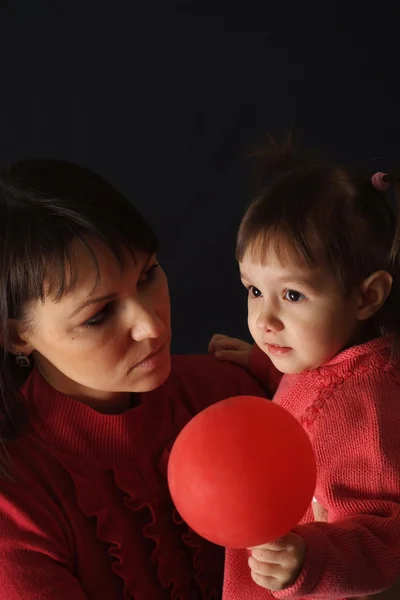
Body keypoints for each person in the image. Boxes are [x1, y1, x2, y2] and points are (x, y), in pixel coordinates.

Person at [0, 158, 268, 600]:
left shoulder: (231, 394)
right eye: (99, 314)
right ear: (16, 336)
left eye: (148, 275)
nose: (153, 326)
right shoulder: (16, 499)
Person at [209, 138, 400, 600]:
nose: (265, 319)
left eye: (292, 295)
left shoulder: (366, 408)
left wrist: (310, 559)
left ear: (366, 296)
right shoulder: (328, 354)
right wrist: (266, 365)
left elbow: (386, 539)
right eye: (254, 290)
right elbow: (315, 392)